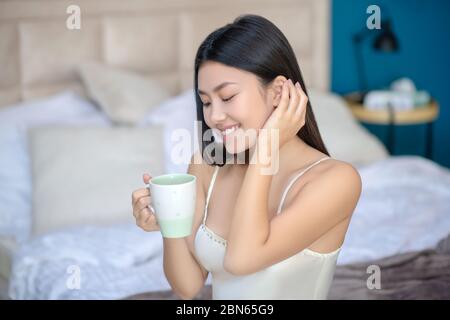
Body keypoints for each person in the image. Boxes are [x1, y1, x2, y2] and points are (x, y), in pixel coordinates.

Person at [131, 14, 362, 300]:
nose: (214, 116)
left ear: (278, 92)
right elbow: (188, 287)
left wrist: (266, 150)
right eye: (205, 101)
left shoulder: (337, 181)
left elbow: (241, 260)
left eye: (227, 97)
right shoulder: (206, 166)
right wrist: (169, 221)